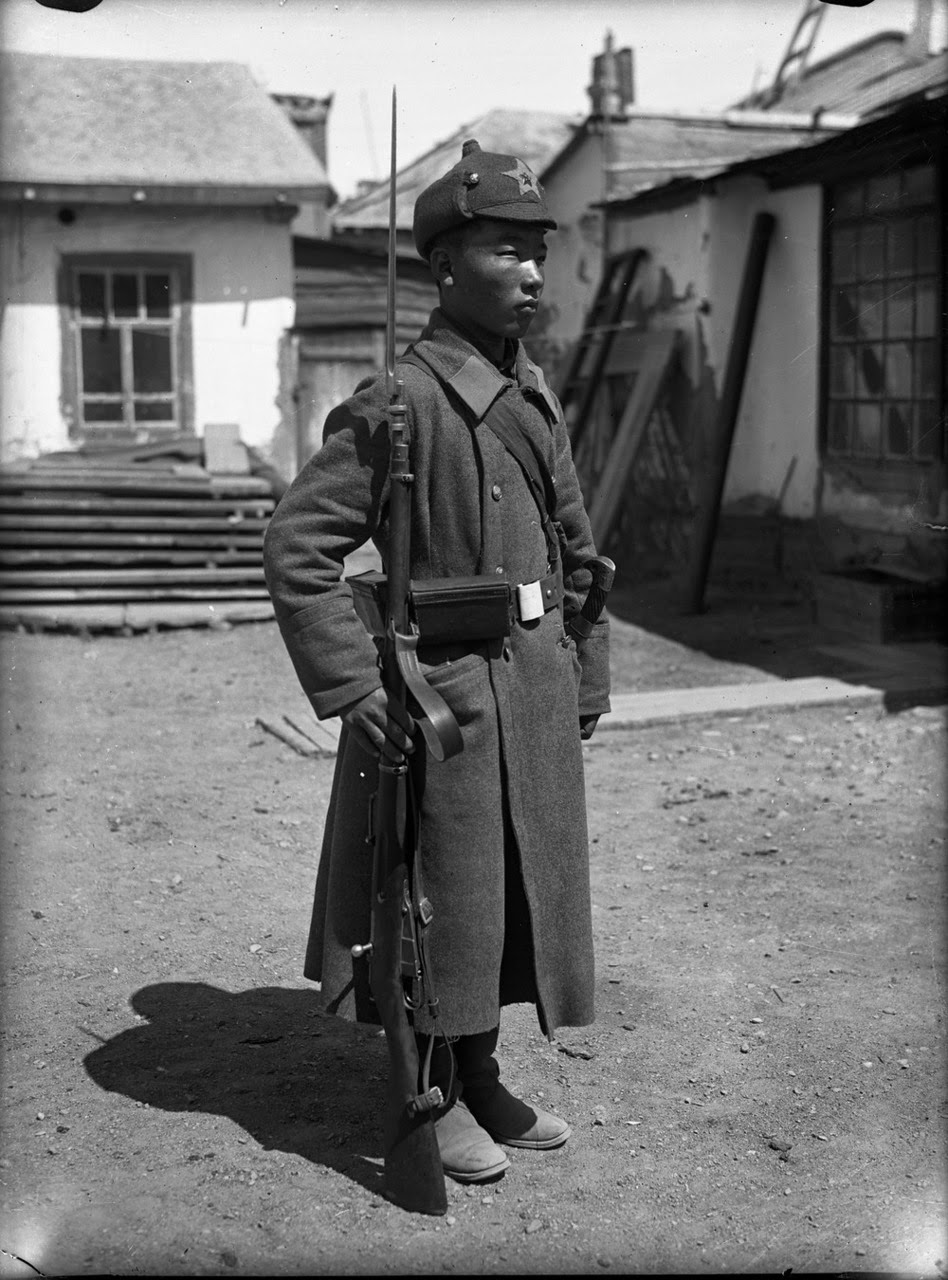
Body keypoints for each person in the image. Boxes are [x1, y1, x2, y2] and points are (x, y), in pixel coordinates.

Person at [263, 140, 611, 1185]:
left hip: (533, 691)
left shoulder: (532, 394)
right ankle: (432, 1091)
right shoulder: (398, 403)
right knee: (441, 901)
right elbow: (298, 547)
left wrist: (585, 678)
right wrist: (360, 687)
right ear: (446, 267)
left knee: (511, 900)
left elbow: (581, 555)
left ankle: (485, 1071)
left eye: (538, 253)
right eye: (509, 252)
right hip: (441, 699)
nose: (534, 273)